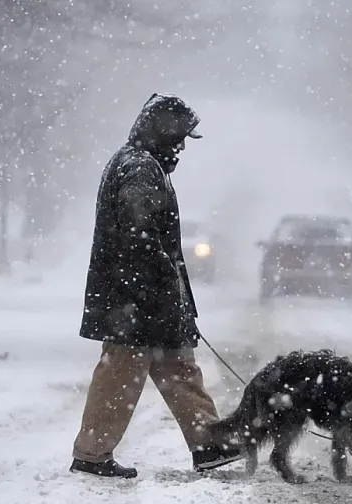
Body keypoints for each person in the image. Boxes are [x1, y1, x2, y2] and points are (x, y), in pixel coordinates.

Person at [70, 93, 242, 478]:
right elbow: (138, 233)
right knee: (120, 375)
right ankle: (92, 455)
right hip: (134, 298)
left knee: (179, 367)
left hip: (148, 297)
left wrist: (173, 294)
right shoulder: (138, 168)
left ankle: (208, 443)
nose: (181, 147)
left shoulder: (144, 164)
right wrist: (161, 281)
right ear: (161, 133)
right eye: (178, 138)